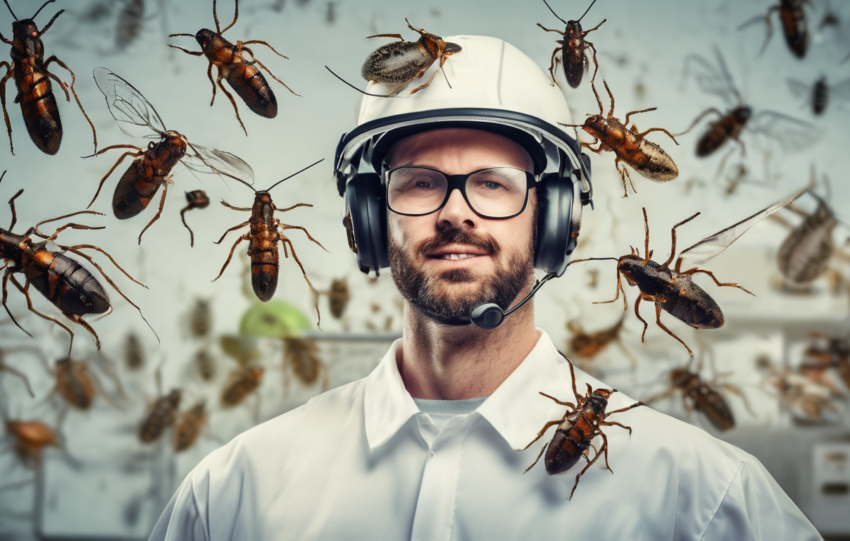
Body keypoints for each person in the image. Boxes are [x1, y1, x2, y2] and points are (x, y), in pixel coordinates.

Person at [149, 36, 821, 541]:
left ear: (556, 222)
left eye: (494, 184)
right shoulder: (234, 491)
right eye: (419, 181)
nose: (455, 212)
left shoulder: (704, 496)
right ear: (368, 221)